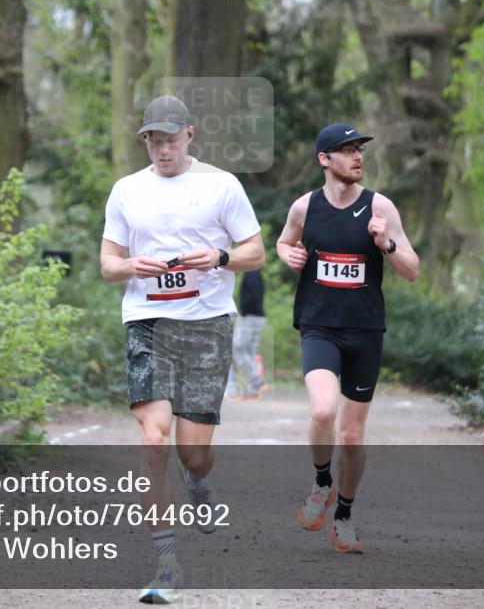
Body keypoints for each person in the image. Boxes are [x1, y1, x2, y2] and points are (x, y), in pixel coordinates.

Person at [100, 95, 264, 603]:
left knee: (193, 454)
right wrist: (133, 267)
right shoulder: (127, 190)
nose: (161, 148)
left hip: (206, 325)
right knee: (154, 440)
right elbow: (108, 263)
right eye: (153, 139)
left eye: (170, 138)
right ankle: (166, 564)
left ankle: (197, 482)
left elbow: (254, 253)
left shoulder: (222, 185)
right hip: (147, 323)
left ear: (190, 134)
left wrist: (218, 256)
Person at [276, 123, 419, 554]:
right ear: (324, 159)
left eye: (359, 150)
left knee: (353, 436)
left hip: (364, 329)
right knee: (323, 410)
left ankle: (343, 516)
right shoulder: (305, 207)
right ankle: (322, 483)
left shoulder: (381, 207)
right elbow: (284, 243)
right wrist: (290, 254)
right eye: (346, 150)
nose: (357, 156)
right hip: (319, 325)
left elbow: (412, 269)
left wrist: (386, 243)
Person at [225, 269, 269, 401]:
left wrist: (243, 312)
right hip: (258, 317)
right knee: (249, 353)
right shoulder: (257, 273)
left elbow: (252, 296)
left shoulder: (252, 273)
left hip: (249, 317)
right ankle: (254, 391)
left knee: (236, 351)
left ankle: (257, 382)